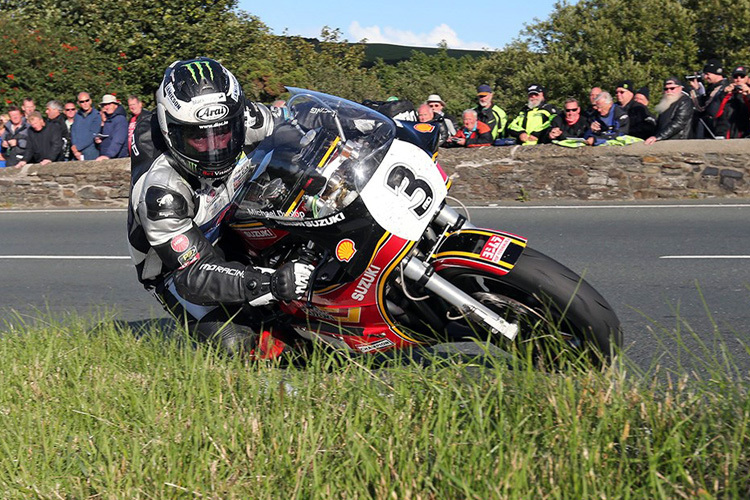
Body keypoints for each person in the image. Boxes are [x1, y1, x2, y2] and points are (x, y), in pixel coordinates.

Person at [127, 57, 314, 355]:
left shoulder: (243, 118)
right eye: (198, 137)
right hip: (176, 266)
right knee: (238, 342)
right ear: (170, 130)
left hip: (230, 220)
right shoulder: (161, 192)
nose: (215, 148)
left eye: (223, 133)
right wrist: (269, 283)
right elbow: (194, 275)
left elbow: (301, 124)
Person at [644, 77, 694, 144]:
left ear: (680, 88)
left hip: (678, 141)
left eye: (672, 88)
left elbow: (679, 123)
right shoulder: (665, 102)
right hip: (664, 140)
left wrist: (658, 137)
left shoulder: (685, 101)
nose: (669, 91)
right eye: (666, 89)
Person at [689, 59, 728, 138]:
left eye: (707, 74)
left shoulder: (722, 88)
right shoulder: (712, 88)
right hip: (713, 128)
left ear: (717, 73)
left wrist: (696, 92)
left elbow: (704, 108)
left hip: (720, 129)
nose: (705, 77)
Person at [715, 65, 750, 138]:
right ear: (731, 79)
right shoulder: (725, 93)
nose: (738, 79)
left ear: (747, 78)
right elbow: (715, 112)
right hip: (726, 133)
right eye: (736, 77)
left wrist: (748, 94)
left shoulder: (747, 92)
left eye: (742, 77)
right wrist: (724, 94)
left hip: (745, 133)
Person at [95, 94, 129, 160]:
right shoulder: (108, 119)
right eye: (105, 105)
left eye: (109, 104)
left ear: (116, 105)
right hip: (107, 158)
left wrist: (108, 155)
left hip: (118, 159)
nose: (107, 107)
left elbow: (118, 140)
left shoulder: (120, 119)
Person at [70, 91, 101, 160]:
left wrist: (77, 147)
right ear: (78, 103)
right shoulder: (77, 115)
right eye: (82, 102)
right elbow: (73, 131)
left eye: (87, 100)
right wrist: (74, 148)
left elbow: (93, 134)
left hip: (90, 151)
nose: (85, 103)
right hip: (76, 153)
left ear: (90, 101)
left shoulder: (96, 115)